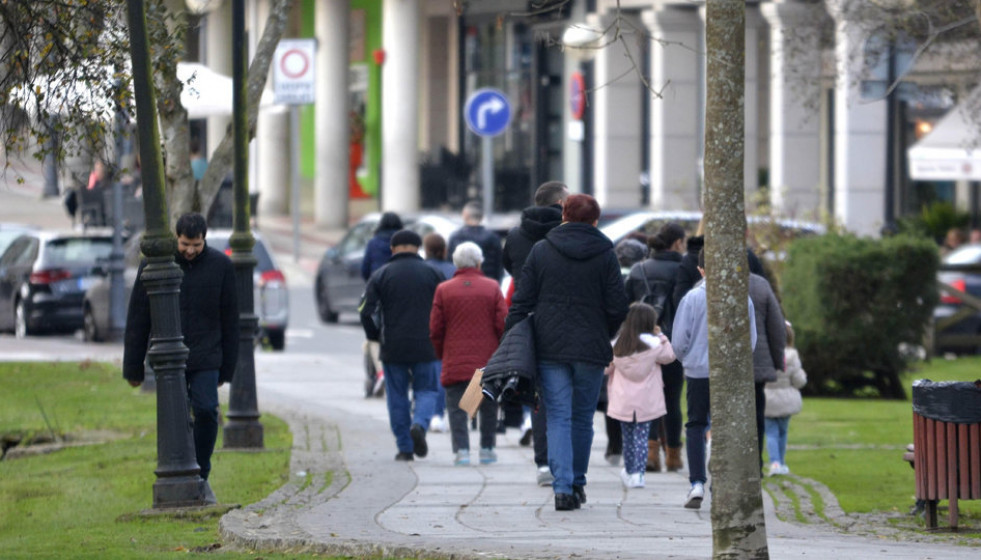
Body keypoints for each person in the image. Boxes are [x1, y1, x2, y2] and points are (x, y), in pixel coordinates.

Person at [506, 193, 629, 511]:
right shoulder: (605, 253)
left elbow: (522, 300)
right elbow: (618, 305)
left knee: (557, 415)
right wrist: (605, 331)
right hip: (590, 346)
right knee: (582, 417)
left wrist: (513, 340)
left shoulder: (542, 250)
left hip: (549, 345)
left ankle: (561, 488)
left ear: (563, 216)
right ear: (595, 220)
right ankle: (577, 482)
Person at [122, 212, 239, 489]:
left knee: (207, 410)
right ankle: (177, 470)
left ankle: (201, 470)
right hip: (167, 358)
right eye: (185, 244)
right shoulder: (155, 264)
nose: (189, 250)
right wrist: (133, 367)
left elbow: (231, 320)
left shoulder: (221, 266)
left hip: (207, 355)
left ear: (204, 240)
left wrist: (227, 368)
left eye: (196, 245)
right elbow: (138, 317)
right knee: (175, 416)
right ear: (177, 238)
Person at [672, 248, 756, 509]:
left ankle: (696, 482)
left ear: (700, 270)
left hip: (698, 369)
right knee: (725, 425)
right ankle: (722, 482)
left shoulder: (693, 298)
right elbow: (750, 340)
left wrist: (687, 358)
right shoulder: (742, 299)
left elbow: (678, 341)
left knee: (695, 423)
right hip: (729, 371)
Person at [501, 180, 568, 486]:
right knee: (566, 396)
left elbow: (507, 267)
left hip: (528, 320)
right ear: (559, 204)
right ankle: (563, 461)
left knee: (540, 393)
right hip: (563, 318)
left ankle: (543, 462)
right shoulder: (564, 234)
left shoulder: (516, 235)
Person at [360, 229, 443, 461]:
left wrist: (374, 335)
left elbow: (365, 310)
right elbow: (444, 307)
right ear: (418, 248)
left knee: (396, 396)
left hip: (392, 345)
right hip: (426, 344)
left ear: (393, 249)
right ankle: (419, 424)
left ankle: (405, 448)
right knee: (427, 390)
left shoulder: (381, 275)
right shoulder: (433, 273)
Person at [429, 242, 508, 466]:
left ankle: (462, 451)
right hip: (486, 360)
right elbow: (503, 323)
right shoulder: (492, 287)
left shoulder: (444, 289)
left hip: (455, 357)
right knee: (488, 405)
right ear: (479, 261)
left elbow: (436, 328)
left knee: (456, 407)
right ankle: (487, 449)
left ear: (456, 262)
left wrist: (441, 353)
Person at [624, 222, 686, 473]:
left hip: (643, 343)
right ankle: (673, 455)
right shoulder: (684, 269)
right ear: (678, 243)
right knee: (672, 399)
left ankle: (651, 454)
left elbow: (624, 308)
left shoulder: (639, 270)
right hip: (673, 344)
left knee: (648, 398)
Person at [605, 302, 676, 489]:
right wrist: (660, 335)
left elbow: (605, 368)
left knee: (627, 437)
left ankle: (629, 471)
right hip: (646, 399)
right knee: (642, 437)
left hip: (623, 399)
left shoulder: (618, 344)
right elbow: (669, 356)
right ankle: (639, 474)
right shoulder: (654, 344)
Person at [748, 272, 787, 472]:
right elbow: (776, 326)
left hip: (713, 364)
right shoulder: (760, 285)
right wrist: (778, 358)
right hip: (758, 362)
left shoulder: (706, 284)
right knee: (756, 416)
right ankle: (755, 462)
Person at [764, 321, 807, 476]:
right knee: (782, 432)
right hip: (786, 399)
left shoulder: (766, 353)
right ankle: (781, 462)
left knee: (770, 433)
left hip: (768, 398)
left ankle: (774, 462)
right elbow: (798, 380)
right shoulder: (792, 356)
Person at [422, 232, 455, 433]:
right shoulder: (452, 270)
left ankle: (432, 413)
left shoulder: (422, 269)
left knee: (430, 373)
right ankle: (441, 413)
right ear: (444, 250)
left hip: (425, 326)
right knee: (443, 370)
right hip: (451, 327)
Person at [448, 201, 503, 283]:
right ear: (482, 217)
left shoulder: (455, 237)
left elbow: (449, 265)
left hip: (460, 285)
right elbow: (499, 266)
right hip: (487, 286)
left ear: (465, 215)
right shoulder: (493, 238)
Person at [361, 212, 403, 281]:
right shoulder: (403, 242)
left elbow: (365, 268)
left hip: (378, 281)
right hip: (398, 281)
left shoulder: (373, 243)